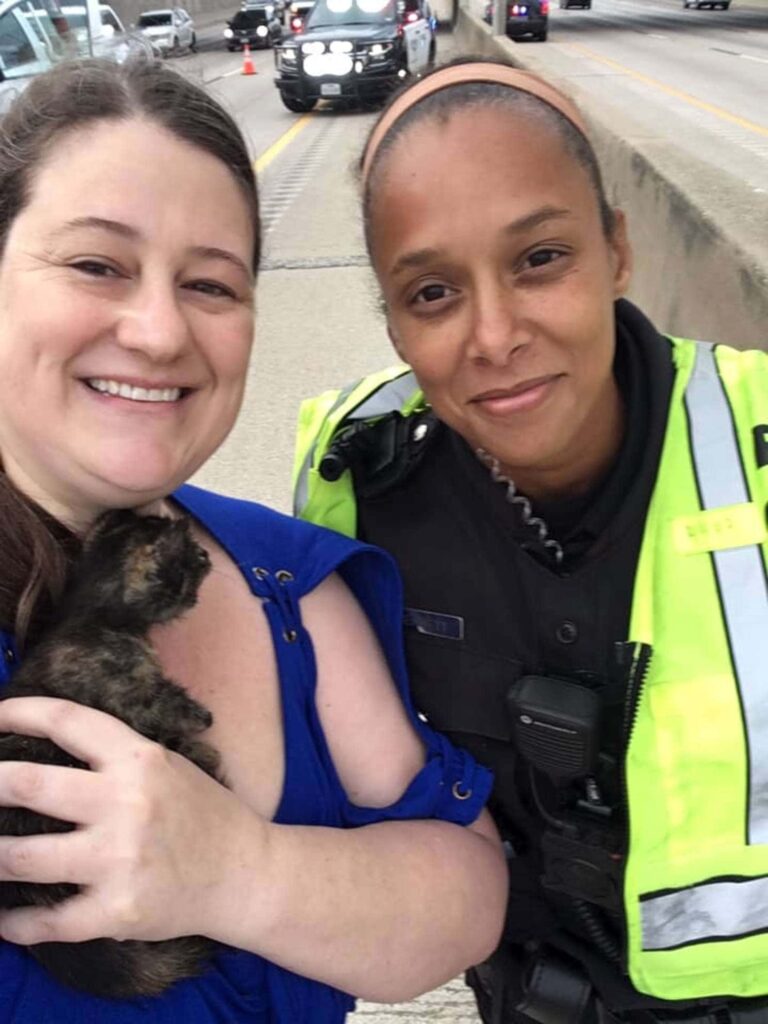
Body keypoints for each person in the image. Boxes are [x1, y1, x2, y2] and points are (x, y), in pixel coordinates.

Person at [0, 56, 510, 1023]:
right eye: (95, 264)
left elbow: (466, 895)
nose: (157, 332)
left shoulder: (288, 583)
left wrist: (238, 870)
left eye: (211, 285)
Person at [294, 58, 768, 1024]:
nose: (496, 334)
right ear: (390, 320)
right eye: (432, 293)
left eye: (540, 259)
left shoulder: (754, 442)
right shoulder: (349, 481)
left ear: (618, 251)